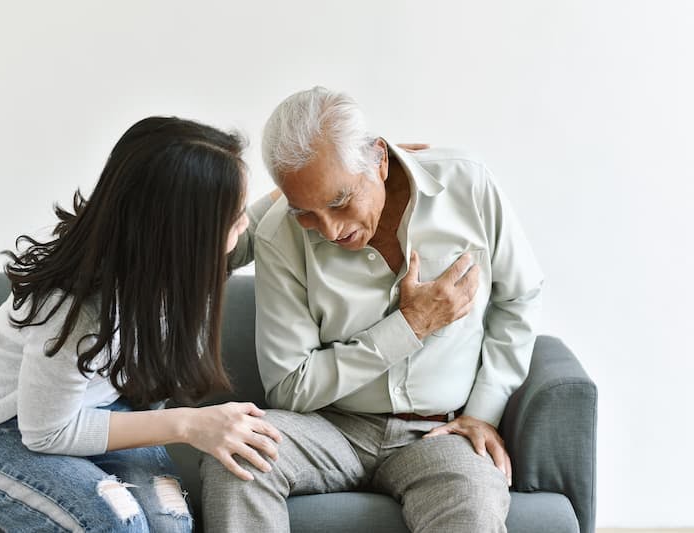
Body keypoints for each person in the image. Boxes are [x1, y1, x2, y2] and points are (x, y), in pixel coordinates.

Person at [199, 87, 545, 532]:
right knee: (237, 459)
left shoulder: (468, 184)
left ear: (379, 160)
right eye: (307, 212)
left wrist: (482, 411)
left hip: (438, 432)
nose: (329, 228)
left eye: (340, 201)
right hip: (329, 427)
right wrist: (409, 326)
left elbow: (519, 296)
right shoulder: (278, 233)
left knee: (474, 504)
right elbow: (289, 387)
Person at [0, 116, 284, 532]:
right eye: (234, 219)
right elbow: (46, 432)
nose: (245, 224)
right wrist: (190, 424)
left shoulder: (173, 263)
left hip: (101, 409)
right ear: (186, 234)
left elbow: (288, 198)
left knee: (169, 524)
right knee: (120, 525)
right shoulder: (77, 306)